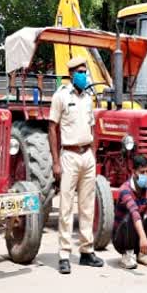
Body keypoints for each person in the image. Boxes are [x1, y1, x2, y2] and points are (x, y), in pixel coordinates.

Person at [48, 56, 104, 274]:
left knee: (87, 205)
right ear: (71, 75)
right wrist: (55, 161)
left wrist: (93, 152)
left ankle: (86, 251)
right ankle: (63, 254)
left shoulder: (88, 98)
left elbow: (93, 126)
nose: (83, 75)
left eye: (84, 71)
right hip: (69, 156)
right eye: (80, 72)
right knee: (66, 206)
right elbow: (52, 128)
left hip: (86, 155)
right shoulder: (60, 96)